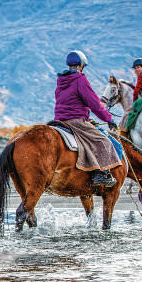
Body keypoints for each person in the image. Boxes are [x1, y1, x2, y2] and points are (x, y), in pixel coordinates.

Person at [54, 51, 119, 188]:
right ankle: (100, 174)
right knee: (102, 140)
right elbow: (94, 102)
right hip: (76, 120)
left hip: (59, 120)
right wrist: (108, 118)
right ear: (81, 66)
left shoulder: (61, 81)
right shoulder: (80, 79)